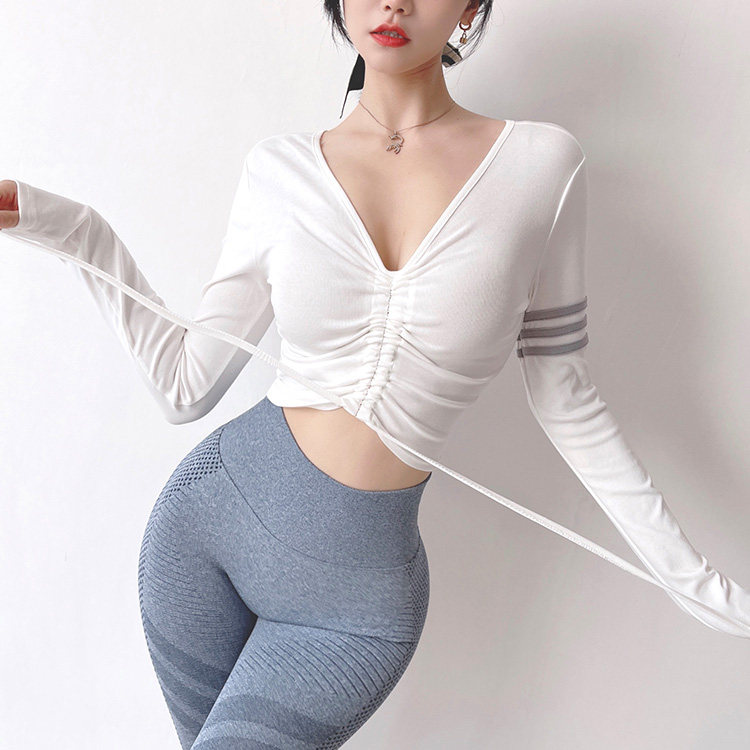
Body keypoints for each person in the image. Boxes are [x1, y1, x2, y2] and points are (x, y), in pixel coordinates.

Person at [2, 0, 749, 747]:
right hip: (203, 536)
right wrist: (73, 228)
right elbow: (183, 387)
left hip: (355, 609)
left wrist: (707, 592)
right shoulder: (280, 169)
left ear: (471, 7)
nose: (393, 3)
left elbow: (566, 395)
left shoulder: (542, 167)